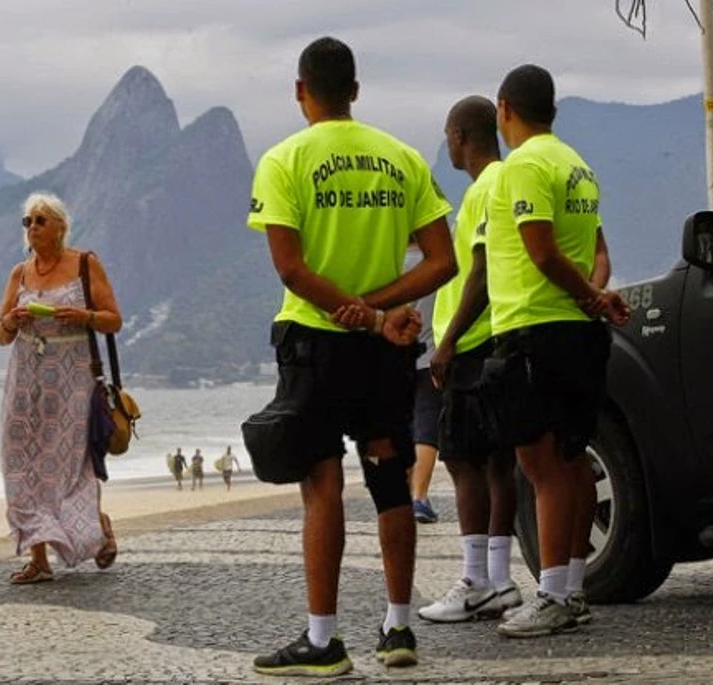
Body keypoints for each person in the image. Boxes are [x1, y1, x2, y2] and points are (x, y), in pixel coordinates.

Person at [247, 36, 456, 676]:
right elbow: (442, 261)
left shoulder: (283, 160)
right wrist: (378, 310)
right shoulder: (402, 158)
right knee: (391, 483)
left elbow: (291, 270)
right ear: (356, 93)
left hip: (314, 347)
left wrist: (356, 312)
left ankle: (323, 640)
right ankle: (398, 629)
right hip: (384, 352)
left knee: (323, 487)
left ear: (300, 91)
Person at [484, 65, 629, 638]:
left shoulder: (523, 165)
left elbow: (540, 253)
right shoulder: (577, 166)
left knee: (539, 466)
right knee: (573, 460)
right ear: (553, 111)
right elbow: (600, 250)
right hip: (578, 332)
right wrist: (593, 296)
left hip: (534, 328)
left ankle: (550, 595)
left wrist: (588, 295)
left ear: (504, 109)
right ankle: (571, 589)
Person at [418, 95, 523, 623]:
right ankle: (500, 579)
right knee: (499, 461)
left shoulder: (483, 190)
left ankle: (477, 579)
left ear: (461, 137)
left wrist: (448, 340)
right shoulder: (507, 181)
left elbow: (477, 274)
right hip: (497, 336)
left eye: (447, 134)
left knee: (462, 460)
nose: (447, 144)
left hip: (473, 341)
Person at [0, 191, 123, 584]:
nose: (32, 227)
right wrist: (14, 321)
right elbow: (0, 334)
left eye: (40, 220)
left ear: (60, 227)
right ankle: (38, 559)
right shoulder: (19, 273)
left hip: (71, 377)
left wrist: (83, 315)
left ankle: (95, 528)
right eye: (28, 221)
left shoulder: (85, 264)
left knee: (67, 463)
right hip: (25, 376)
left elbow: (113, 320)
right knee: (19, 461)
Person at [410, 289, 441, 524]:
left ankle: (400, 500)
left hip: (392, 357)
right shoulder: (437, 266)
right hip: (429, 357)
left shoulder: (392, 263)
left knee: (400, 427)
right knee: (426, 426)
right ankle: (418, 496)